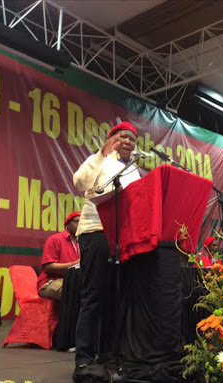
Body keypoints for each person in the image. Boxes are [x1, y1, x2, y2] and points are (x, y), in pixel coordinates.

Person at [72, 122, 141, 379]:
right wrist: (101, 154)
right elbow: (79, 182)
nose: (128, 142)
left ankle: (109, 358)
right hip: (96, 233)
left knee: (115, 300)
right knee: (93, 298)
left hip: (122, 240)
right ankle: (84, 360)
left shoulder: (134, 170)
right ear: (111, 139)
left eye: (132, 139)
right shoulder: (99, 160)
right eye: (123, 137)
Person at [37, 211, 81, 301]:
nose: (80, 225)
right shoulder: (55, 239)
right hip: (50, 282)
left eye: (82, 223)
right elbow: (48, 266)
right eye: (77, 221)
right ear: (67, 225)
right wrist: (76, 263)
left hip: (71, 281)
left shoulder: (80, 243)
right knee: (71, 291)